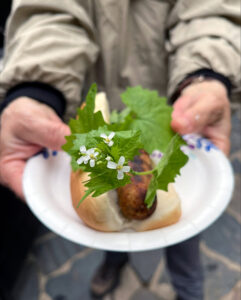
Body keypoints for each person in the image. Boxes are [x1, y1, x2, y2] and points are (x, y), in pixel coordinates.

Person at [0, 1, 240, 299]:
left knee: (185, 243)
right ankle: (113, 263)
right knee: (109, 237)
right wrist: (36, 89)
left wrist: (207, 74)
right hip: (87, 91)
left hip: (168, 110)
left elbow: (211, 9)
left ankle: (189, 291)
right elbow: (48, 10)